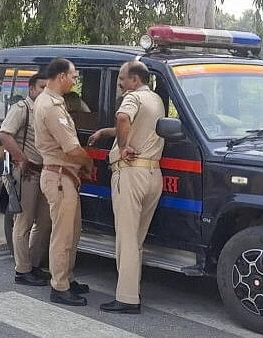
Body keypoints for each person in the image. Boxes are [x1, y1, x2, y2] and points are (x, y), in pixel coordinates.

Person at [89, 61, 165, 314]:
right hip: (153, 173)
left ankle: (127, 298)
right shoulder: (155, 100)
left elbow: (124, 118)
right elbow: (134, 126)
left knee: (126, 239)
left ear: (134, 79)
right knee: (137, 239)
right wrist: (106, 132)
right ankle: (132, 290)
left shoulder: (132, 97)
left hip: (130, 173)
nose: (119, 84)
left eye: (121, 78)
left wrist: (122, 147)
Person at [34, 58, 93, 306]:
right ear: (61, 77)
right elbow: (71, 148)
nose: (74, 80)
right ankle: (59, 286)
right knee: (62, 234)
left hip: (65, 176)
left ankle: (66, 277)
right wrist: (88, 163)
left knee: (73, 232)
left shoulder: (54, 102)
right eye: (73, 76)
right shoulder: (51, 106)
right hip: (59, 176)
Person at [0, 73, 51, 286]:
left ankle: (34, 265)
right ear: (31, 89)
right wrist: (21, 159)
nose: (44, 91)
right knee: (24, 222)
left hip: (43, 172)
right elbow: (4, 134)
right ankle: (22, 270)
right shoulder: (22, 108)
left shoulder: (45, 111)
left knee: (45, 221)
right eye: (41, 87)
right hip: (26, 173)